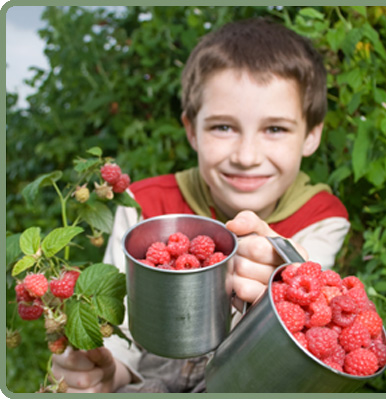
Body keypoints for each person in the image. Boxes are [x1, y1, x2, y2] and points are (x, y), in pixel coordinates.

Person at [51, 17, 350, 393]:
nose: (246, 156)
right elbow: (120, 326)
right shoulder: (144, 205)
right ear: (192, 130)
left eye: (275, 129)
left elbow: (298, 341)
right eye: (223, 127)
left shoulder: (322, 218)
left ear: (311, 135)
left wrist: (290, 281)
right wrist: (107, 372)